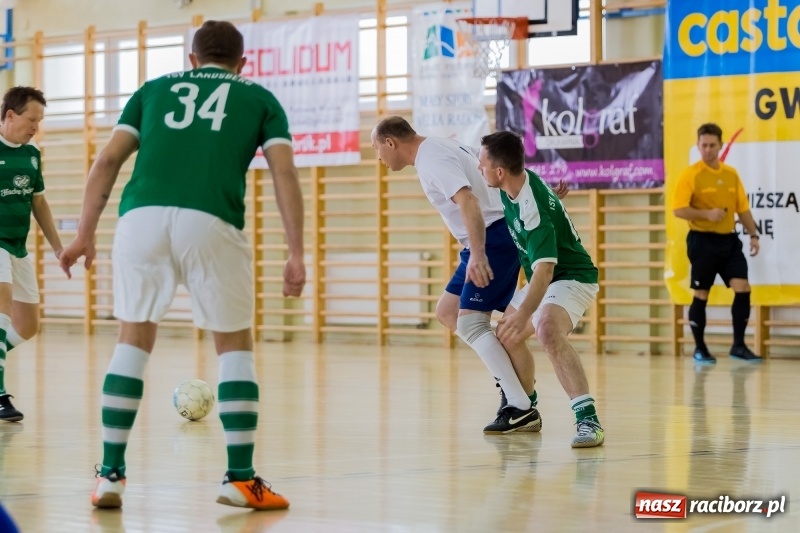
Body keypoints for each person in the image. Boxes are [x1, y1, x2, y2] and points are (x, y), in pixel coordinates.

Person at [59, 21, 305, 510]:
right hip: (210, 219)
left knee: (132, 339)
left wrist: (84, 233)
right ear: (242, 63)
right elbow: (283, 172)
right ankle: (239, 479)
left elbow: (106, 162)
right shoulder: (259, 98)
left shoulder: (151, 91)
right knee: (234, 346)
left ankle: (110, 474)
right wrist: (295, 251)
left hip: (139, 219)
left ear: (191, 59)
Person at [371, 116, 566, 434]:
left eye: (376, 149)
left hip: (492, 238)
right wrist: (542, 192)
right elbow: (499, 172)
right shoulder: (441, 146)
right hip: (490, 237)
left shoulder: (431, 158)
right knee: (448, 313)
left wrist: (477, 254)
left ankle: (520, 406)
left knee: (471, 323)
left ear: (390, 142)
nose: (378, 158)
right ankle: (515, 391)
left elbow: (470, 200)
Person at [477, 130, 604, 448]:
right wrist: (554, 202)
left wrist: (527, 314)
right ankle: (525, 406)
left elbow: (545, 270)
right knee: (506, 331)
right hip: (545, 277)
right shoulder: (515, 184)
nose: (480, 169)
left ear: (500, 171)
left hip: (572, 276)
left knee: (545, 328)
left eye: (483, 164)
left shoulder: (532, 209)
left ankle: (588, 420)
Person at [672, 123, 762, 364]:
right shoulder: (691, 174)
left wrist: (754, 235)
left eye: (712, 145)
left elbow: (742, 209)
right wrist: (706, 214)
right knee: (702, 293)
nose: (708, 150)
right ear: (698, 146)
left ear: (721, 145)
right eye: (704, 145)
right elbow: (679, 210)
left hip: (729, 241)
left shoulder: (730, 174)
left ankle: (739, 346)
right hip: (702, 241)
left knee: (742, 287)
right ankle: (700, 348)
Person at [0, 86, 64, 423]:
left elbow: (38, 202)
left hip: (17, 246)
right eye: (31, 119)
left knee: (26, 326)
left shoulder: (32, 153)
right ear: (9, 116)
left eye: (40, 120)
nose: (35, 126)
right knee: (3, 307)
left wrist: (57, 246)